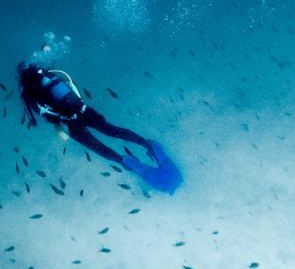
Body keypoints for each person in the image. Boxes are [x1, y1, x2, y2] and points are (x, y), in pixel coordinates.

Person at [17, 63, 182, 193]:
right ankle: (150, 145)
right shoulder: (50, 74)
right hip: (85, 110)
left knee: (99, 148)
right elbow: (72, 88)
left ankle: (126, 161)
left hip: (69, 122)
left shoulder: (26, 92)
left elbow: (34, 118)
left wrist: (51, 122)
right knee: (113, 130)